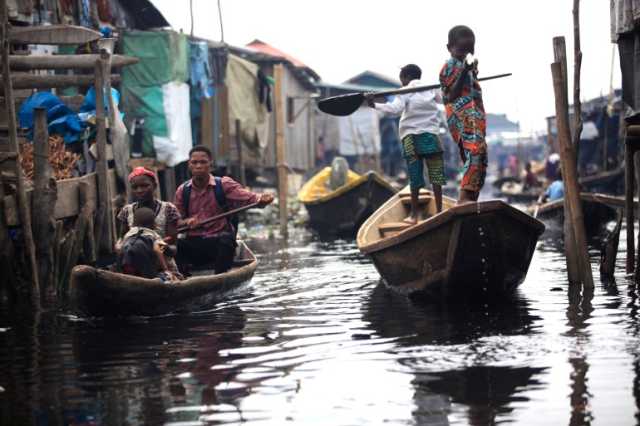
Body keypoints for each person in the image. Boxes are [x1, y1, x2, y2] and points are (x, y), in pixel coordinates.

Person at [175, 145, 274, 274]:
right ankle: (182, 277)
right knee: (175, 246)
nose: (198, 166)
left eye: (203, 162)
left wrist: (262, 198)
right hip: (195, 243)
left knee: (226, 240)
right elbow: (175, 221)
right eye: (194, 162)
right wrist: (187, 222)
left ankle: (220, 276)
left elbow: (250, 198)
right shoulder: (183, 191)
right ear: (189, 165)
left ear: (210, 164)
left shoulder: (223, 184)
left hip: (219, 244)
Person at [366, 64, 446, 222]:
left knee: (415, 175)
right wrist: (448, 86)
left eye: (401, 79)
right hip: (431, 136)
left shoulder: (405, 90)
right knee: (436, 174)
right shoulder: (431, 88)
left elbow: (395, 109)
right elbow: (445, 100)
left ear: (405, 78)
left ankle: (414, 215)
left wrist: (373, 104)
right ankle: (440, 211)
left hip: (411, 137)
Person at [439, 25, 487, 204]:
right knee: (474, 151)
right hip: (461, 116)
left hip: (475, 116)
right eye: (461, 49)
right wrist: (466, 71)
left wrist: (471, 70)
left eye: (469, 48)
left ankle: (472, 197)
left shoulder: (466, 65)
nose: (465, 52)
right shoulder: (449, 67)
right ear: (449, 48)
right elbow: (452, 95)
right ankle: (465, 197)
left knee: (481, 156)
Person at [117, 167, 181, 244]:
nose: (139, 190)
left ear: (155, 185)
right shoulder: (126, 211)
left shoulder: (168, 209)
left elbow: (172, 241)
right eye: (135, 187)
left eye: (144, 186)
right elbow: (123, 238)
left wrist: (151, 246)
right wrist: (119, 245)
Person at [117, 207, 183, 282]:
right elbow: (157, 248)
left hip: (126, 263)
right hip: (145, 267)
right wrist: (166, 269)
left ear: (133, 224)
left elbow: (118, 247)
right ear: (154, 224)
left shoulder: (128, 234)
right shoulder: (152, 234)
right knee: (163, 277)